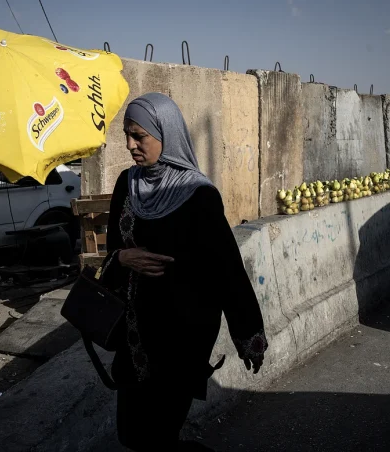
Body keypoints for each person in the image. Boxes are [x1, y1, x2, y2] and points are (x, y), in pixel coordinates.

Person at [104, 92, 268, 451]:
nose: (130, 145)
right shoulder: (126, 186)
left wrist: (248, 335)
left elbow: (227, 270)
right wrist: (123, 258)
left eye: (139, 136)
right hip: (133, 335)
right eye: (127, 135)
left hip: (181, 337)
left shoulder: (198, 195)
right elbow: (112, 252)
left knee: (159, 437)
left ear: (167, 133)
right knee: (131, 435)